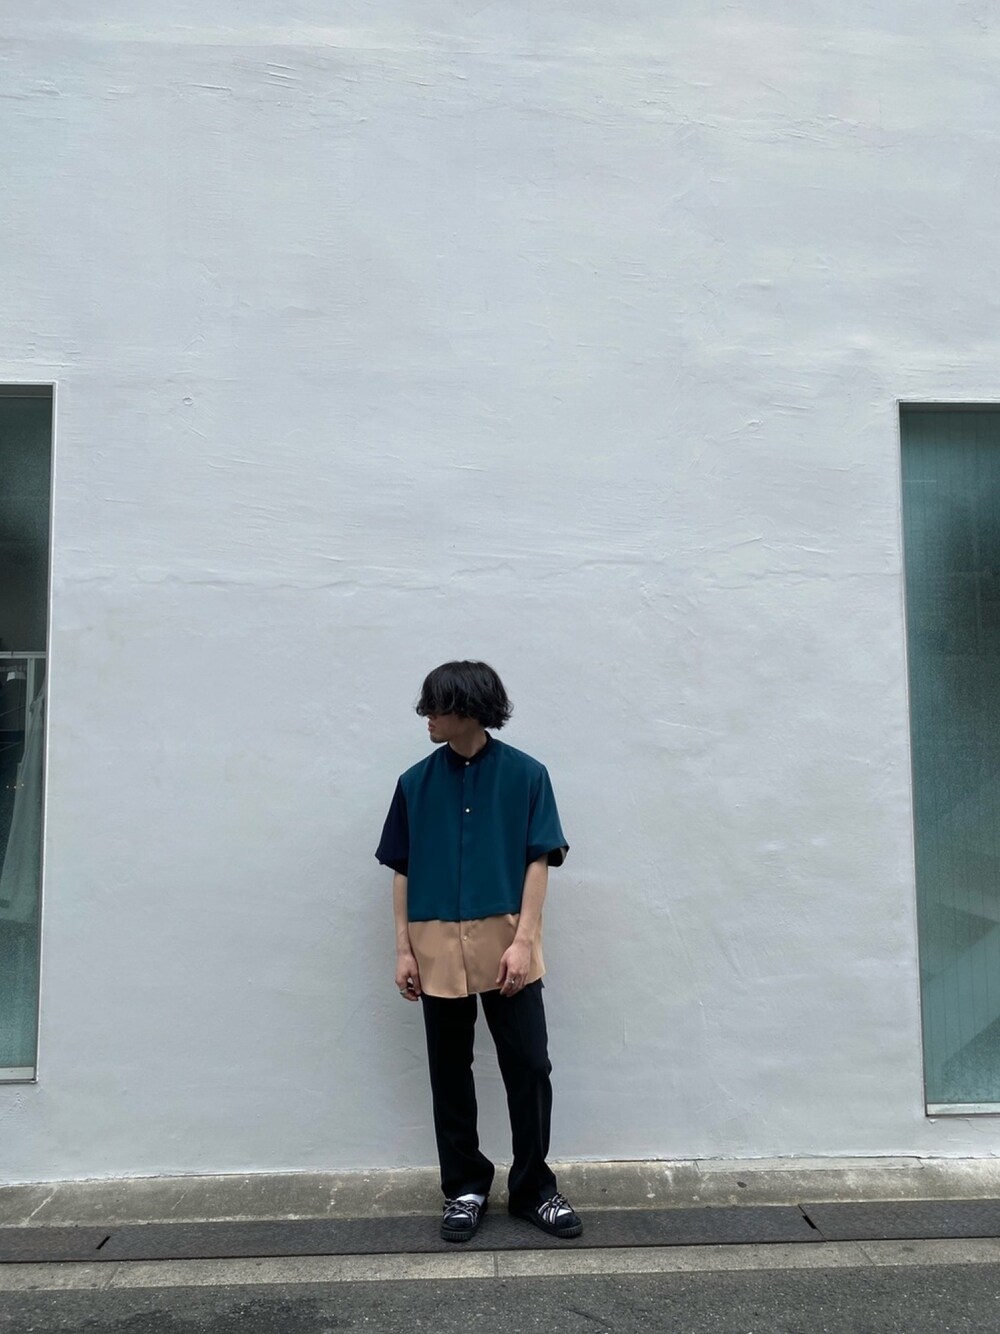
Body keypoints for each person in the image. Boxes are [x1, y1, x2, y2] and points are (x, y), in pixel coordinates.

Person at [376, 660, 582, 1243]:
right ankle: (464, 1188)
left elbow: (539, 859)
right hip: (435, 946)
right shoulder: (414, 783)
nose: (426, 716)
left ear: (466, 710)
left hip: (506, 944)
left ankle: (534, 1188)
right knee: (448, 1071)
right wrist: (404, 950)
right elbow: (402, 869)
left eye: (435, 707)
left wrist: (525, 942)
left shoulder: (527, 775)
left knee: (530, 1066)